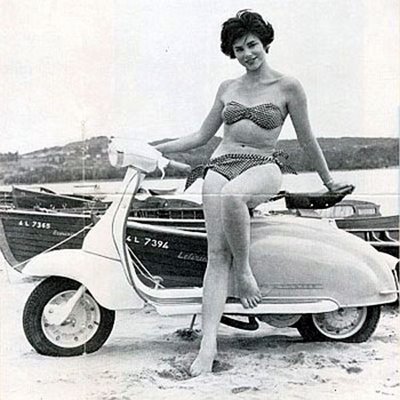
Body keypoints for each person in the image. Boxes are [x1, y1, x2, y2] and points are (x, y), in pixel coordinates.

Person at [155, 10, 346, 376]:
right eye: (239, 48)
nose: (247, 54)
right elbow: (200, 136)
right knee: (215, 254)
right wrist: (155, 150)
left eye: (252, 45)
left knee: (233, 197)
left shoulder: (288, 87)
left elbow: (307, 140)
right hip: (220, 162)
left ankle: (244, 272)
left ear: (265, 43)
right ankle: (208, 347)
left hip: (263, 164)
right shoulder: (227, 88)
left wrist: (328, 181)